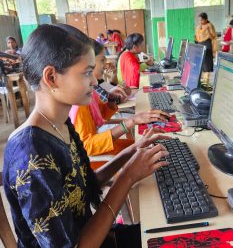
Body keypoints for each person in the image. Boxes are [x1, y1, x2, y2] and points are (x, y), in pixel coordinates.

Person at [2, 24, 169, 247]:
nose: (94, 81)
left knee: (172, 232)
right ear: (51, 77)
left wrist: (132, 152)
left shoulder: (60, 123)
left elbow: (88, 184)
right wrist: (127, 176)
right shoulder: (31, 154)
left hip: (93, 235)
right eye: (87, 73)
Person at [61, 29, 170, 169]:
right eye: (102, 60)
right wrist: (130, 122)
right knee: (154, 152)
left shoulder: (88, 92)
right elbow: (87, 146)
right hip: (99, 159)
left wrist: (111, 102)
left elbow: (101, 116)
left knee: (154, 146)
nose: (105, 64)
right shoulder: (79, 103)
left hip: (105, 147)